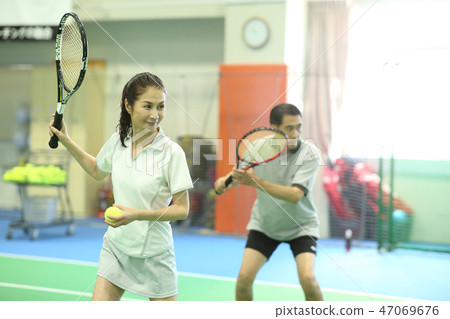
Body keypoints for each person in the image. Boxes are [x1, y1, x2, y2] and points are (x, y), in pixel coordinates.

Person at [49, 72, 193, 301]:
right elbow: (97, 170)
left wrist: (137, 215)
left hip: (155, 255)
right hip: (116, 248)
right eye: (147, 106)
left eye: (161, 107)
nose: (156, 115)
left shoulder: (172, 152)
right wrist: (66, 139)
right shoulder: (119, 140)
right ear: (128, 105)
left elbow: (181, 209)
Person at [214, 103, 323, 301]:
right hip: (265, 225)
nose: (296, 133)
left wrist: (256, 182)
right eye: (289, 128)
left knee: (308, 279)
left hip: (301, 226)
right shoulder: (259, 148)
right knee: (244, 279)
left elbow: (295, 195)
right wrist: (225, 182)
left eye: (299, 127)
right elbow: (241, 174)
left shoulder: (310, 153)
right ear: (274, 128)